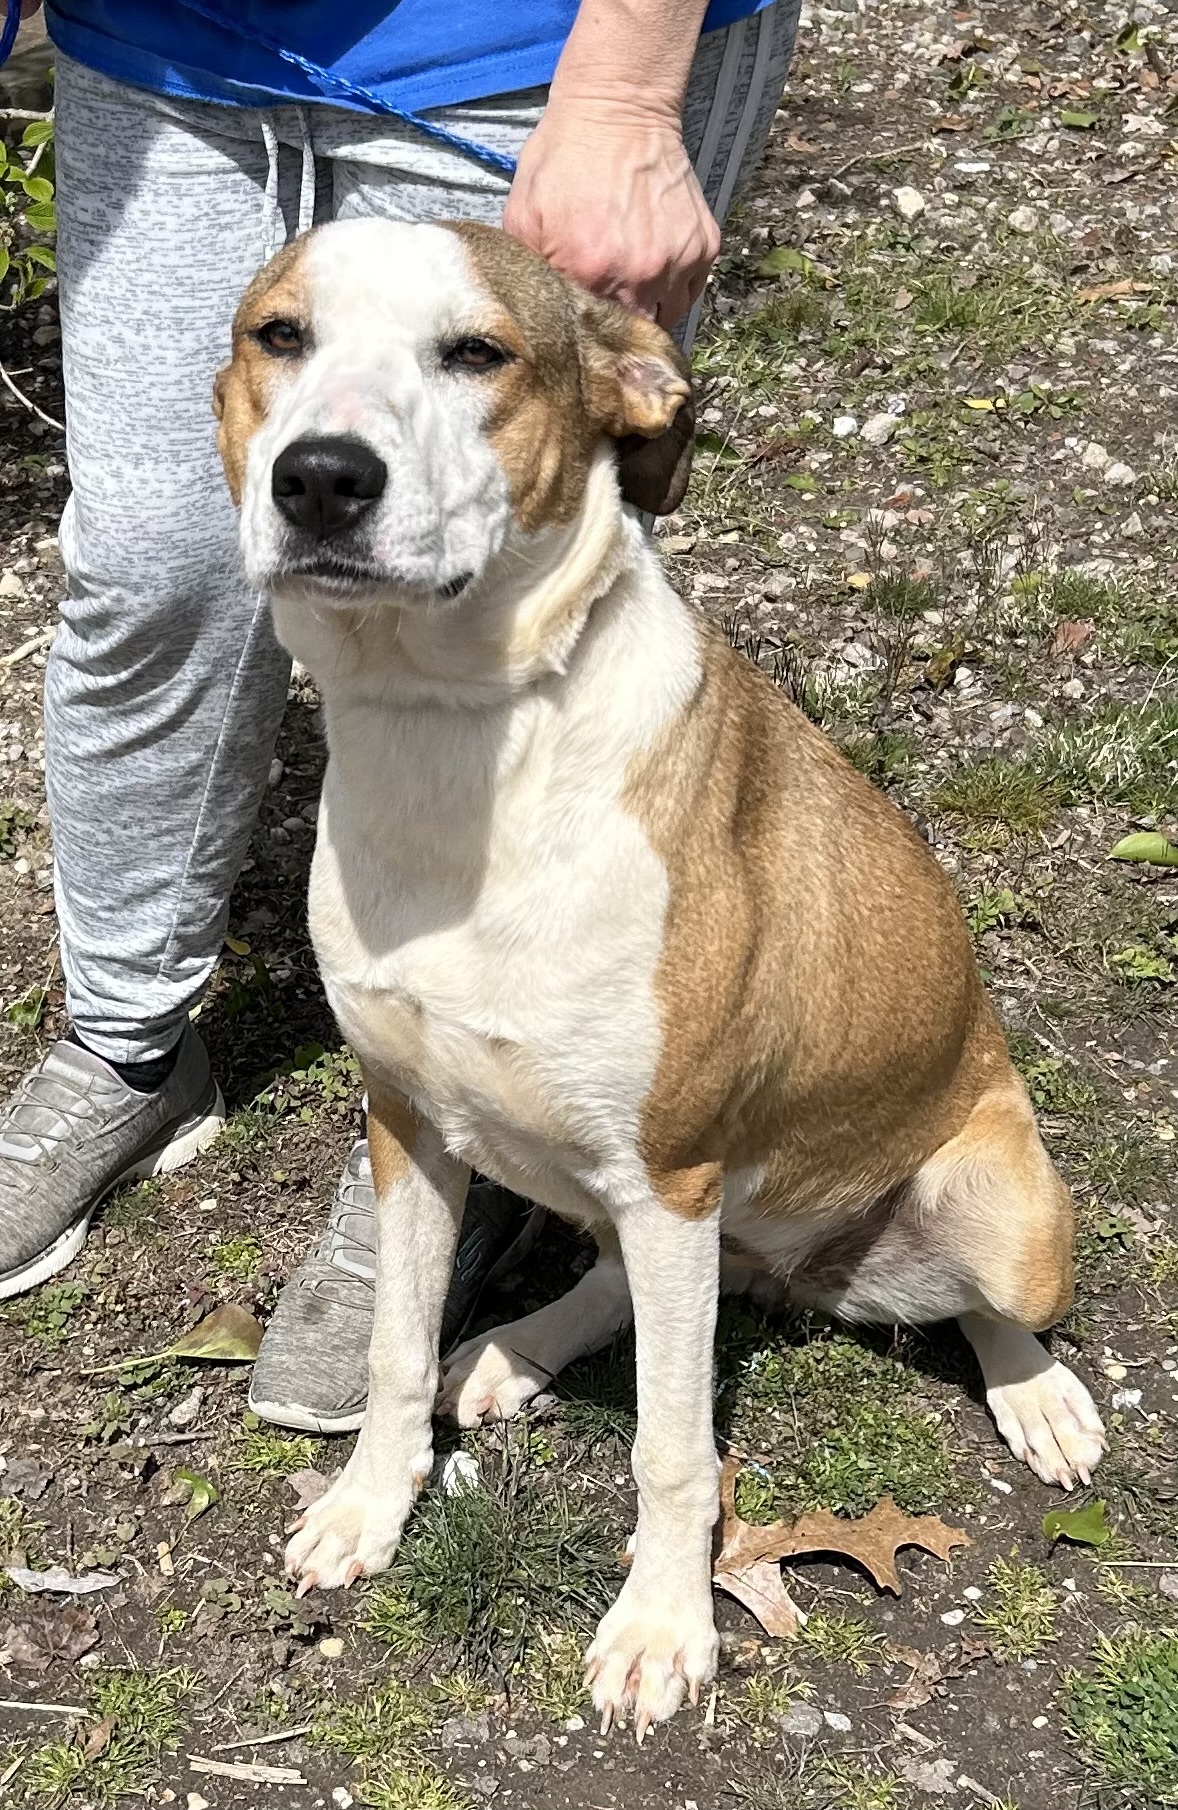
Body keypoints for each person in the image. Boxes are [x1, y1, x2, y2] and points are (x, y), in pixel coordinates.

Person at [0, 0, 799, 1431]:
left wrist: (623, 88)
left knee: (501, 578)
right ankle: (126, 1042)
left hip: (523, 43)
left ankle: (503, 1117)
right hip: (158, 44)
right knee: (153, 566)